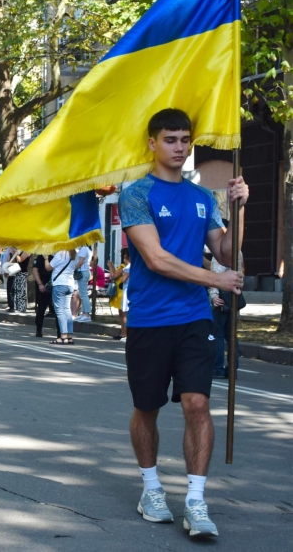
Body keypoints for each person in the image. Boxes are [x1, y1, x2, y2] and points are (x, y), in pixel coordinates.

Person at [119, 108, 248, 538]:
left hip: (195, 316)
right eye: (171, 139)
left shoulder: (202, 198)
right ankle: (151, 488)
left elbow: (227, 253)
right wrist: (215, 278)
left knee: (197, 404)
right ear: (153, 144)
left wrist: (238, 210)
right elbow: (155, 259)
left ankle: (196, 500)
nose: (179, 147)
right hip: (150, 319)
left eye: (185, 140)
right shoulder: (135, 194)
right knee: (147, 408)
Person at [208, 226, 243, 379]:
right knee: (232, 335)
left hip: (221, 297)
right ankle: (233, 368)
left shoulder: (219, 254)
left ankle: (217, 367)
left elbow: (215, 276)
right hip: (233, 297)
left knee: (218, 334)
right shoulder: (238, 252)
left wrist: (213, 295)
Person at [46, 250, 77, 345]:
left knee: (59, 310)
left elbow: (48, 267)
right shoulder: (75, 253)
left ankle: (63, 336)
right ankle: (69, 336)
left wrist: (46, 258)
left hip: (59, 284)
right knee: (67, 309)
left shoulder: (60, 254)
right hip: (70, 284)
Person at [32, 254, 60, 339]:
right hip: (44, 284)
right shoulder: (42, 255)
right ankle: (38, 330)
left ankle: (60, 333)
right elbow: (35, 269)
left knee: (57, 310)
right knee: (41, 308)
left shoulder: (60, 255)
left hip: (56, 285)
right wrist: (40, 283)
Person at [108, 248, 131, 341]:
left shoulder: (124, 267)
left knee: (123, 314)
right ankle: (123, 332)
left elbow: (114, 276)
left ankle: (124, 333)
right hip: (121, 292)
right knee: (122, 314)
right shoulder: (124, 267)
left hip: (122, 292)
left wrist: (110, 266)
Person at [74, 245, 92, 322]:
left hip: (82, 272)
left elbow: (80, 262)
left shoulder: (84, 248)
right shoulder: (85, 248)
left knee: (83, 294)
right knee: (82, 294)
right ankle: (84, 313)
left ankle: (87, 314)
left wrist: (73, 269)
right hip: (84, 271)